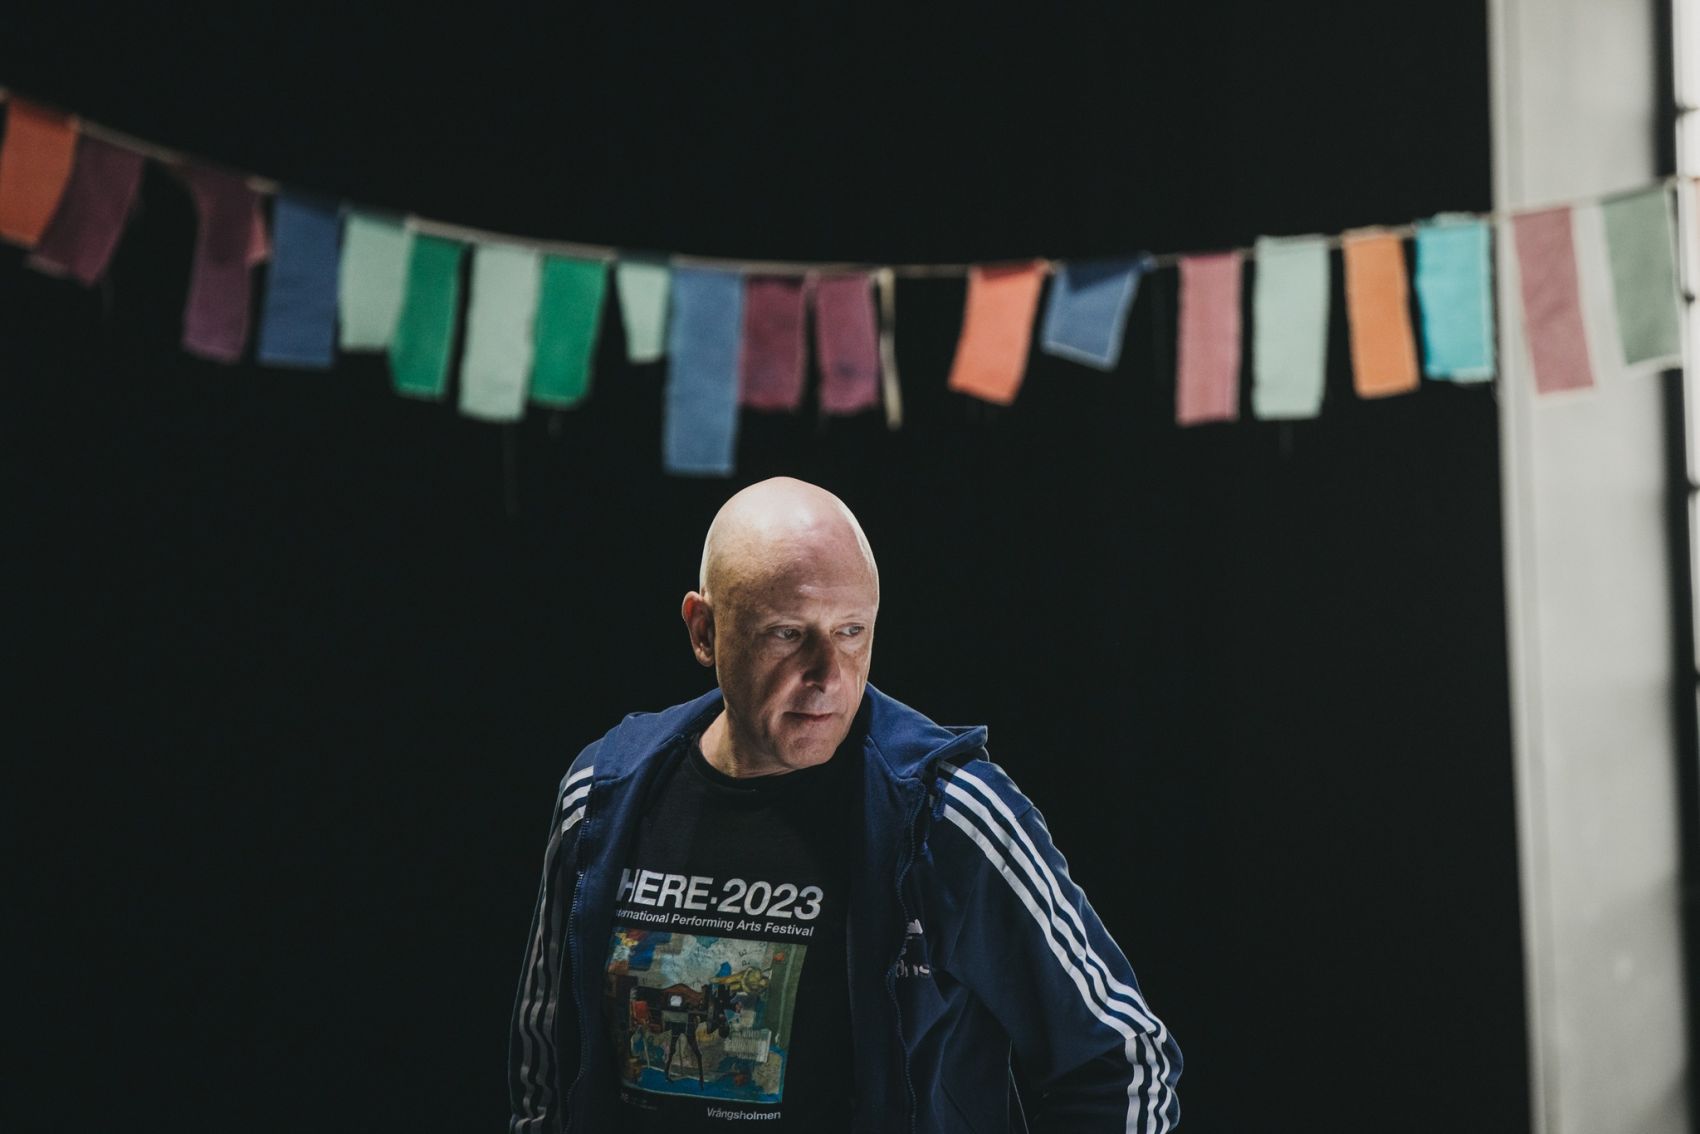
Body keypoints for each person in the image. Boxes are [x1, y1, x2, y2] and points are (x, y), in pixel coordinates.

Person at [508, 477, 1182, 1134]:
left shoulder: (946, 814)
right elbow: (546, 1066)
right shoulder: (604, 794)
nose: (829, 674)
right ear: (704, 630)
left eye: (851, 631)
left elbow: (1123, 1063)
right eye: (787, 633)